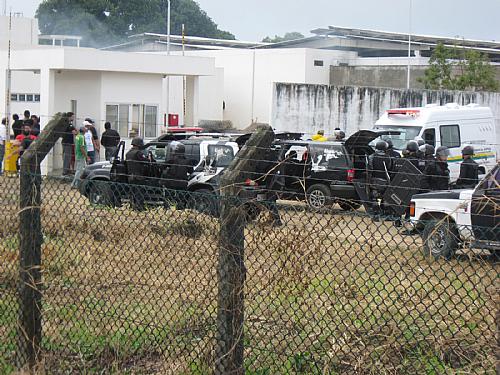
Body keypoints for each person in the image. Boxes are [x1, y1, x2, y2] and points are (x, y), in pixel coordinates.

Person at [161, 142, 193, 209]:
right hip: (182, 183)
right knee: (181, 199)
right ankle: (179, 210)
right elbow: (191, 171)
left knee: (169, 198)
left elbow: (163, 166)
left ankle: (168, 209)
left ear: (176, 151)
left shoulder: (172, 159)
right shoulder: (187, 161)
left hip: (171, 183)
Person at [368, 140, 393, 217]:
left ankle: (376, 212)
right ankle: (386, 213)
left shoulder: (372, 156)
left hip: (374, 180)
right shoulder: (388, 157)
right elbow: (389, 168)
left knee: (373, 197)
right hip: (385, 181)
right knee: (385, 197)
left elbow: (370, 168)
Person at [126, 137, 150, 211]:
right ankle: (139, 207)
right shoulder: (138, 153)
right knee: (139, 192)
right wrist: (148, 158)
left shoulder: (128, 153)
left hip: (130, 176)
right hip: (138, 176)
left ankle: (132, 206)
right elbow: (146, 161)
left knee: (132, 192)